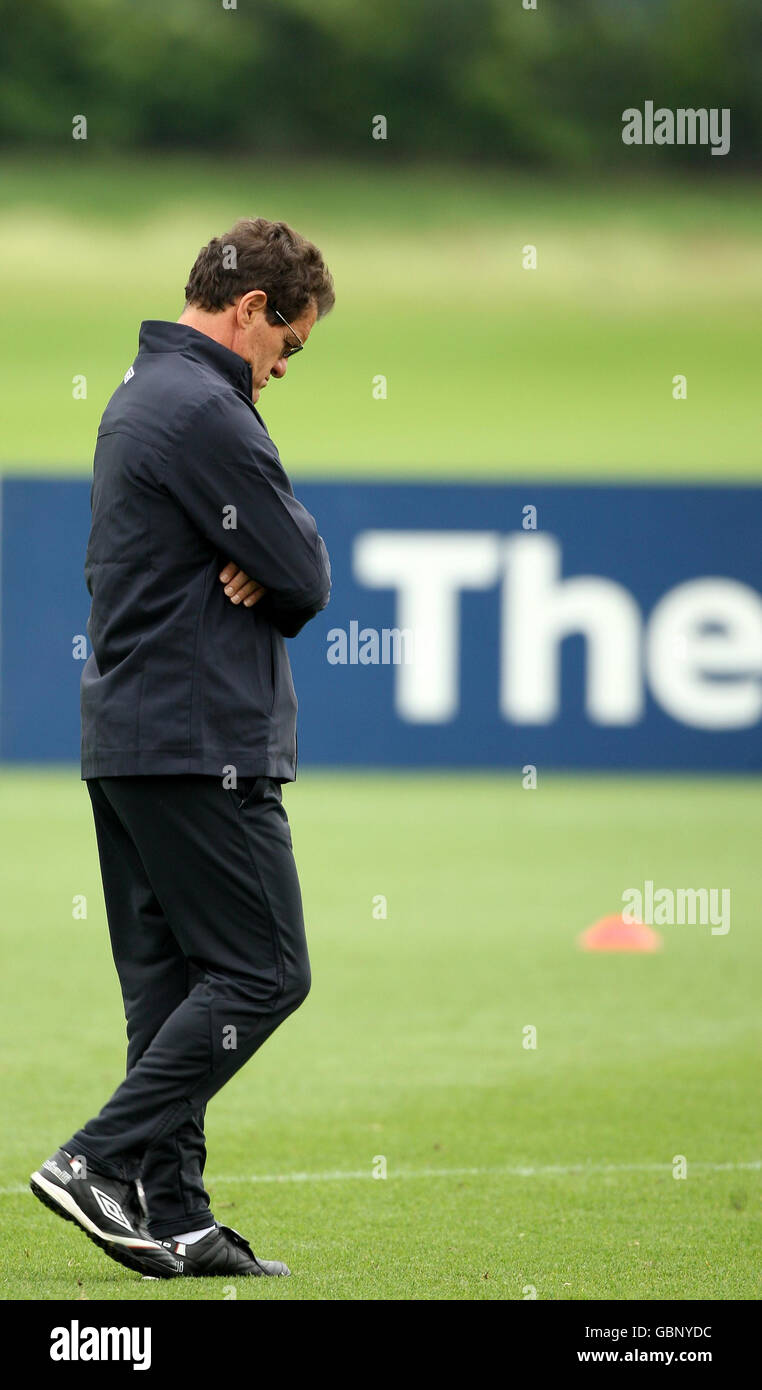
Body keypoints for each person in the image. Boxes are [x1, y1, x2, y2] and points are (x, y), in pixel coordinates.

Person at [30, 217, 334, 1279]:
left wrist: (265, 550)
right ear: (250, 310)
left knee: (168, 995)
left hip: (128, 738)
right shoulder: (207, 404)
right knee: (265, 971)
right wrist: (272, 554)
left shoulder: (138, 393)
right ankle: (92, 1161)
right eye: (286, 343)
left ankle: (179, 1215)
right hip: (201, 740)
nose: (282, 367)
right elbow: (301, 571)